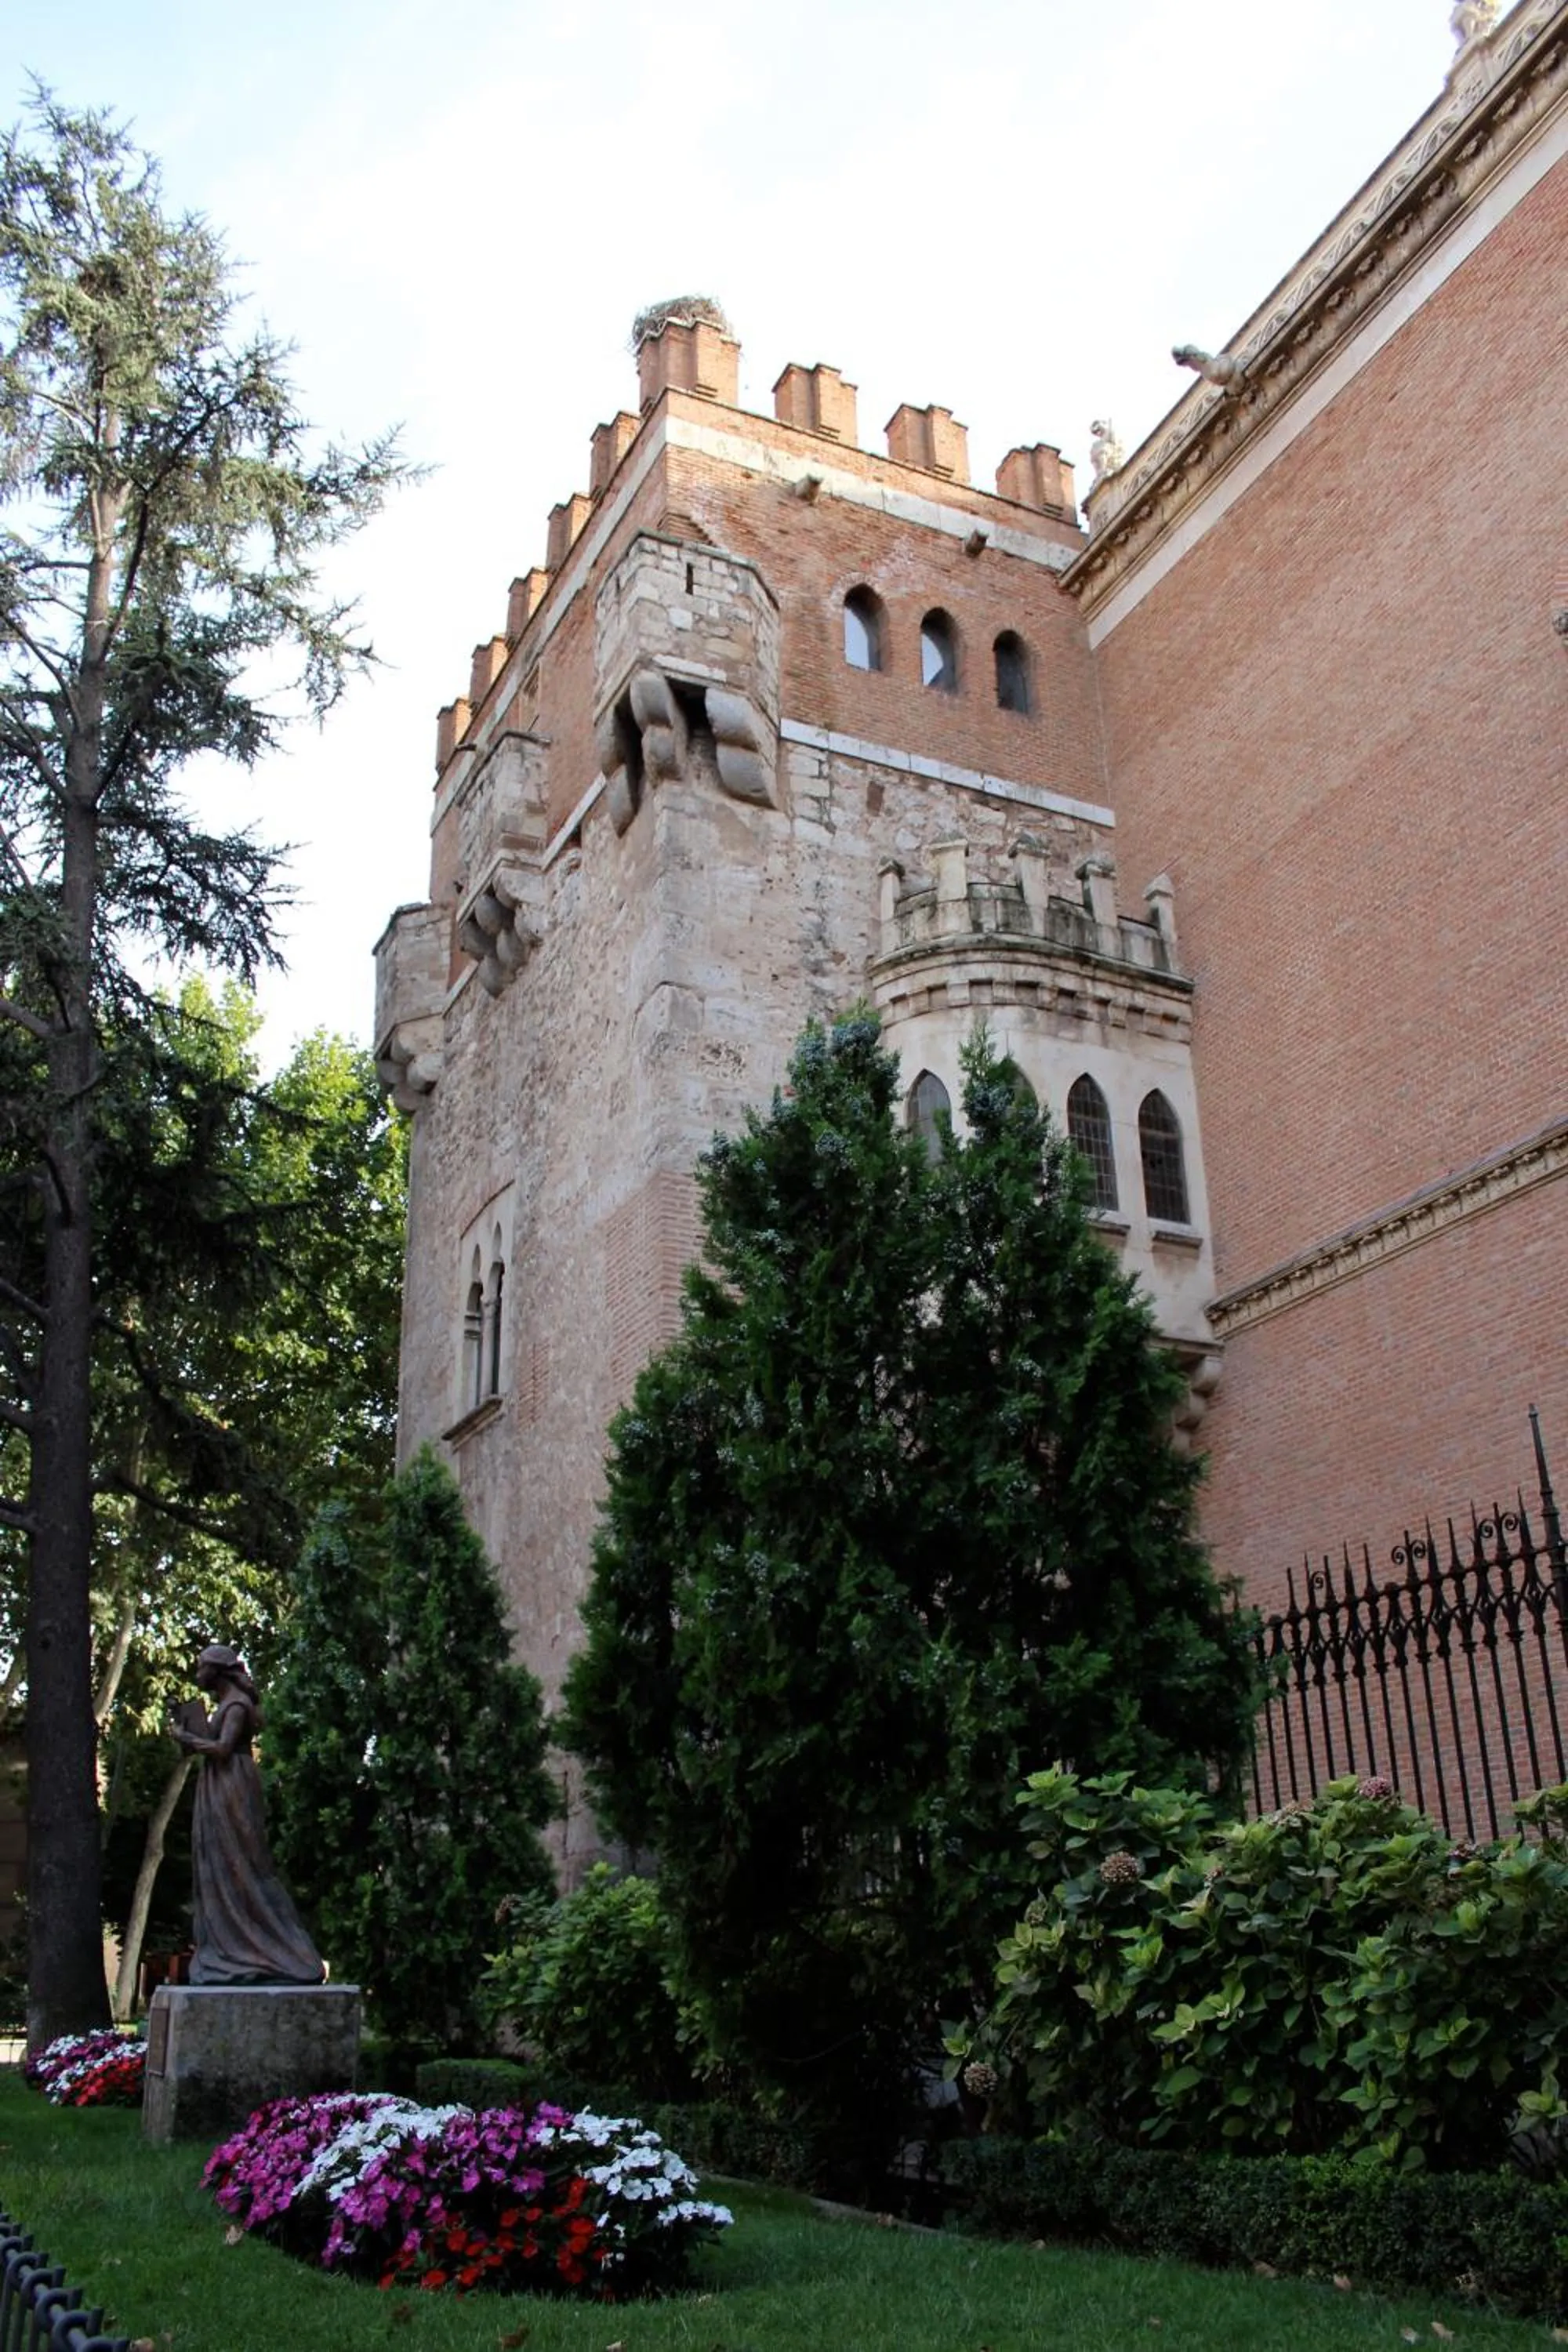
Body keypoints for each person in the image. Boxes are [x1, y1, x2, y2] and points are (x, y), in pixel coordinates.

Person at [170, 1643, 326, 1986]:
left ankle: (271, 1947)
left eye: (202, 1667)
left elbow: (223, 1749)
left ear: (218, 1671)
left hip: (233, 1784)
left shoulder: (238, 1704)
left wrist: (187, 1738)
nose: (198, 1674)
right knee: (220, 1860)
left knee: (241, 1859)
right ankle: (227, 1946)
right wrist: (187, 1731)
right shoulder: (225, 1704)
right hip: (217, 1783)